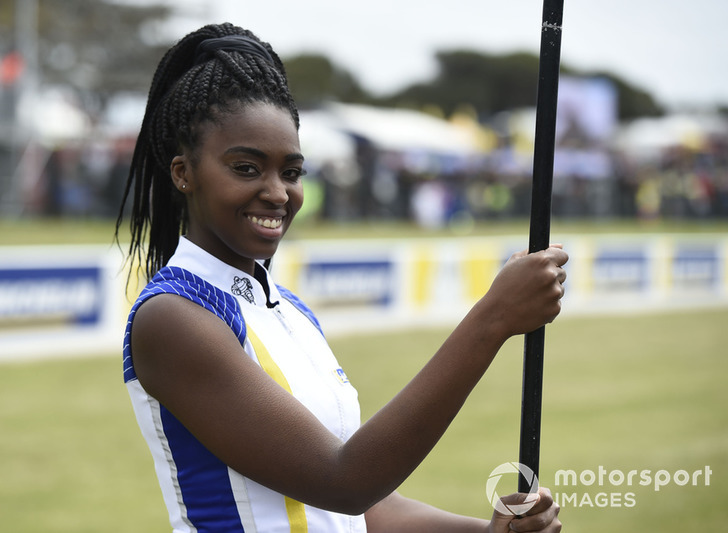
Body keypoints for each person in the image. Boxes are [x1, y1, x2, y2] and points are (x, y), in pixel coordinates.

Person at [116, 22, 566, 533]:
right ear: (183, 173)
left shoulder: (287, 309)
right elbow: (345, 481)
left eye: (291, 172)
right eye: (246, 168)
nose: (277, 193)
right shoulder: (174, 317)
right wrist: (493, 319)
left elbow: (366, 507)